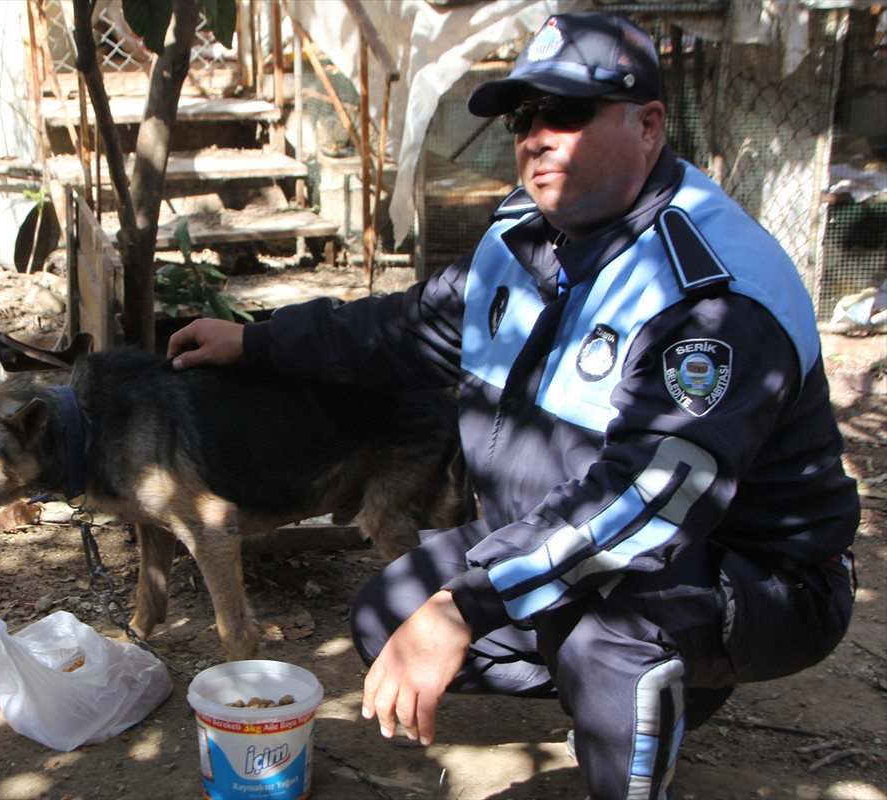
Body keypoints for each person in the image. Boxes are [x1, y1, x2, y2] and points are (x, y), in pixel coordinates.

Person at [167, 12, 857, 800]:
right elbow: (407, 328)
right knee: (389, 614)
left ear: (649, 124)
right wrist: (257, 343)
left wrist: (466, 607)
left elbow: (648, 504)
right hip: (565, 534)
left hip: (754, 572)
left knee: (605, 626)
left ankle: (641, 689)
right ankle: (660, 682)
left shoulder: (707, 295)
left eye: (565, 112)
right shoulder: (526, 233)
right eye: (522, 116)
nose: (535, 136)